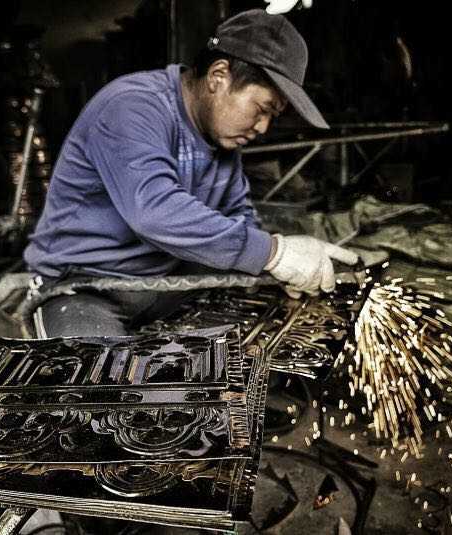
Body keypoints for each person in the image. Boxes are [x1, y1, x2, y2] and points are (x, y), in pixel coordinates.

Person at [23, 9, 358, 337]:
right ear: (218, 76)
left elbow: (238, 214)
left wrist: (279, 269)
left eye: (273, 116)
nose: (263, 127)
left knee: (253, 346)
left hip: (168, 282)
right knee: (104, 372)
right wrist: (273, 253)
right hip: (84, 287)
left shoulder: (221, 137)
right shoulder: (132, 106)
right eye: (262, 109)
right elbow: (154, 212)